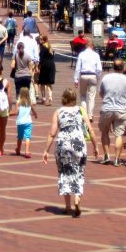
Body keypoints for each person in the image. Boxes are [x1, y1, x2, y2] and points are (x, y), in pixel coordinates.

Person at [42, 87, 99, 217]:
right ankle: (77, 198)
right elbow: (90, 130)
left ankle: (68, 206)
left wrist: (46, 150)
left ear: (64, 98)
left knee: (65, 172)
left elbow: (52, 133)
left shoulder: (58, 112)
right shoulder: (81, 110)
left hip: (63, 145)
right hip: (78, 144)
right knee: (79, 172)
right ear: (75, 99)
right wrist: (95, 146)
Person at [97, 58, 126, 166]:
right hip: (120, 110)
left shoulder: (106, 78)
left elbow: (101, 93)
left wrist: (106, 98)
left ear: (113, 67)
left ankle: (107, 156)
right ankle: (117, 159)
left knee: (105, 132)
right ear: (123, 68)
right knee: (119, 135)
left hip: (107, 109)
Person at [73, 39, 103, 121]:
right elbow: (99, 69)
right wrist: (97, 77)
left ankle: (84, 114)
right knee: (91, 97)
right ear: (92, 46)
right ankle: (90, 115)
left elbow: (78, 68)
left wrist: (76, 79)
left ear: (86, 46)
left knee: (83, 95)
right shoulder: (96, 55)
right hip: (93, 75)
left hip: (83, 75)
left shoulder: (81, 54)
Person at [13, 86, 38, 158]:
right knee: (28, 137)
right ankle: (27, 151)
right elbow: (34, 111)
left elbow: (16, 112)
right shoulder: (29, 102)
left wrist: (10, 113)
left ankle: (18, 149)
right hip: (28, 122)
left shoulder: (18, 102)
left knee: (20, 137)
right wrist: (35, 115)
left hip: (20, 122)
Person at [37, 34, 56, 105]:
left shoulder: (43, 47)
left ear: (43, 40)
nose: (39, 40)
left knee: (42, 82)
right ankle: (50, 98)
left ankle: (44, 98)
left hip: (45, 65)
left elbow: (40, 58)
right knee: (49, 83)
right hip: (51, 65)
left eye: (40, 39)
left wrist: (38, 67)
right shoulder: (49, 46)